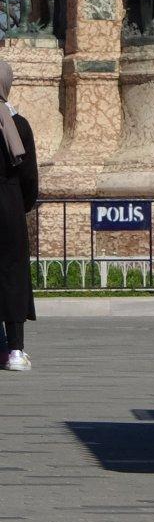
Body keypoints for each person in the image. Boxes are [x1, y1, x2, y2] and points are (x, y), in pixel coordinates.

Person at [0, 62, 39, 372]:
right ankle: (15, 351)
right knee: (12, 275)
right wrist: (21, 206)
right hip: (9, 206)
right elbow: (30, 177)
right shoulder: (19, 125)